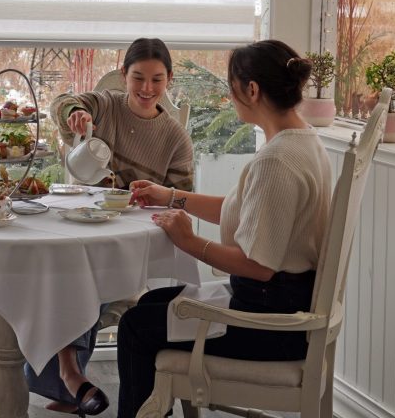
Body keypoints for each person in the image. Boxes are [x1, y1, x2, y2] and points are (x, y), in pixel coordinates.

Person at [117, 40, 332, 418]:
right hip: (278, 303)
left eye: (232, 87)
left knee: (135, 327)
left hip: (269, 323)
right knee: (150, 304)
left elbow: (258, 266)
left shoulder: (277, 161)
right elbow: (242, 210)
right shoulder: (303, 141)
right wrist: (169, 196)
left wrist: (189, 241)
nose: (229, 96)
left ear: (252, 90)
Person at [26, 38, 194, 416]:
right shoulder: (106, 105)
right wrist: (76, 115)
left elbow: (183, 198)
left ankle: (69, 379)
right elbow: (60, 102)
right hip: (82, 227)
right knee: (61, 268)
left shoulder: (174, 137)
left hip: (129, 244)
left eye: (157, 80)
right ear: (123, 76)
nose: (147, 89)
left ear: (169, 80)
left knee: (70, 276)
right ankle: (71, 378)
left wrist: (156, 196)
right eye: (138, 78)